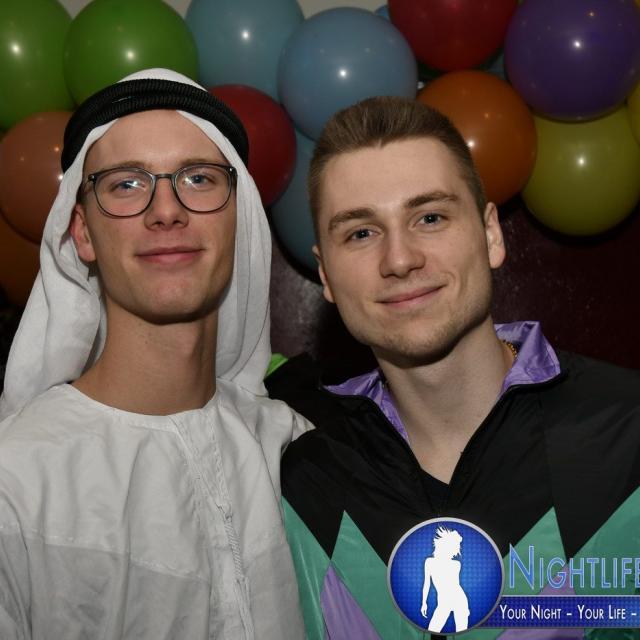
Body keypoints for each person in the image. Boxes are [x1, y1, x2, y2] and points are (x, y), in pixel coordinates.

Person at [266, 96, 640, 639]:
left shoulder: (628, 435)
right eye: (361, 232)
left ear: (490, 234)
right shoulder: (295, 481)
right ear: (325, 274)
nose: (400, 259)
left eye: (430, 217)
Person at [0, 68, 311, 639]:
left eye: (198, 178)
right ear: (82, 233)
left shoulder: (292, 450)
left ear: (239, 218)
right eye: (125, 184)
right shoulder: (15, 483)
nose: (165, 209)